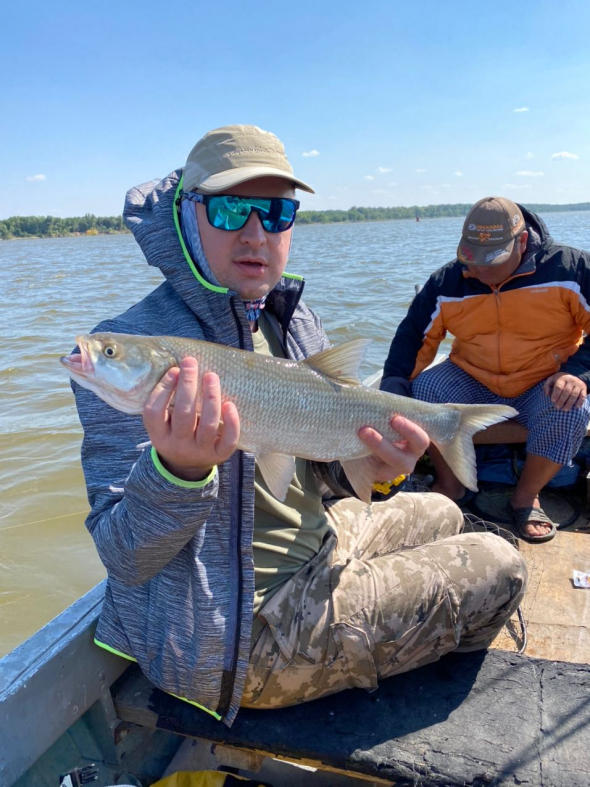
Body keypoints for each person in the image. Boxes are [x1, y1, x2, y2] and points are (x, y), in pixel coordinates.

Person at [72, 128, 527, 727]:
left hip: (315, 545)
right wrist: (177, 472)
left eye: (278, 211)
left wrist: (377, 467)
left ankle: (390, 626)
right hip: (239, 633)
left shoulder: (292, 317)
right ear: (188, 216)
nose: (256, 232)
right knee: (500, 563)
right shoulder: (133, 356)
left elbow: (324, 475)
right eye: (233, 207)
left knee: (443, 513)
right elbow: (124, 558)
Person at [381, 196, 590, 543]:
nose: (475, 271)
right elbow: (413, 337)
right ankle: (450, 486)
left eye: (490, 261)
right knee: (426, 391)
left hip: (545, 380)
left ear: (522, 243)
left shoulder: (570, 269)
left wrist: (578, 373)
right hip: (473, 377)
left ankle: (525, 498)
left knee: (572, 407)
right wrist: (395, 385)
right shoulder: (448, 281)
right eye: (469, 258)